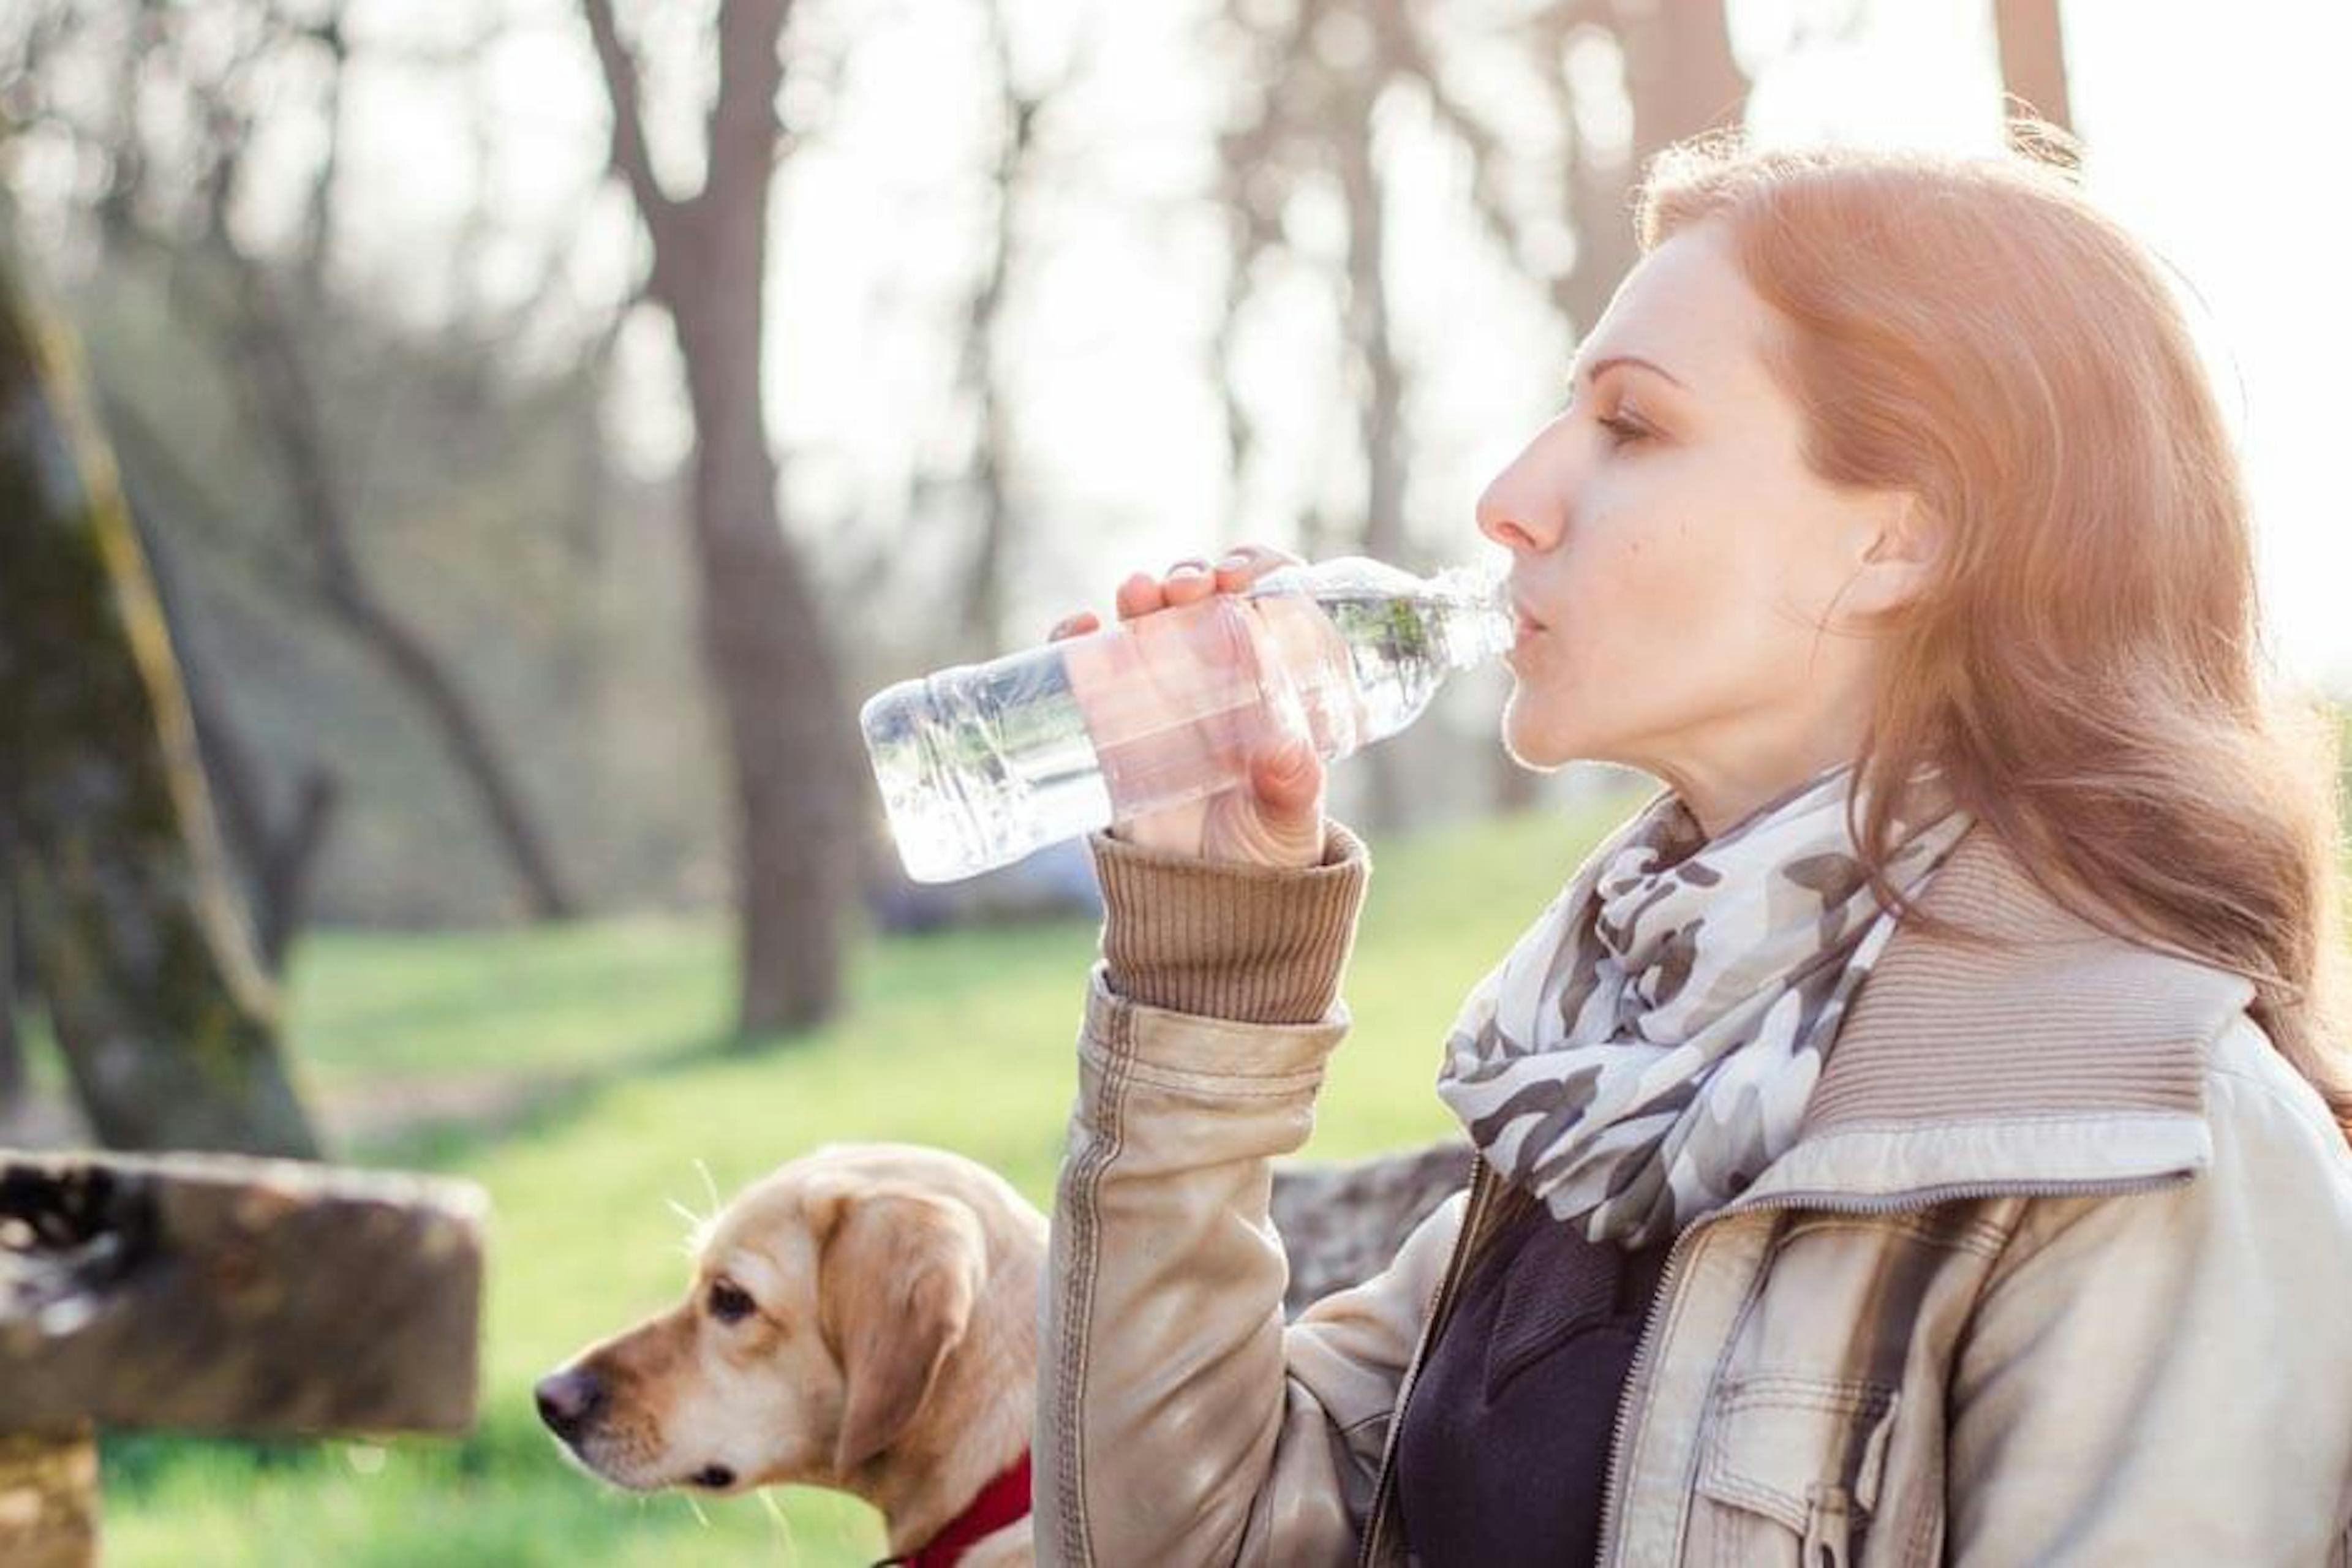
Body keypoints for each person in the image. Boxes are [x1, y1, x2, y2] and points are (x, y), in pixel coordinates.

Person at [1032, 130, 2352, 1566]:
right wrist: (1211, 956)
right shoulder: (1613, 1074)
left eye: (1633, 424)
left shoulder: (2149, 1138)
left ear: (1899, 540)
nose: (1513, 497)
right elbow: (1195, 1544)